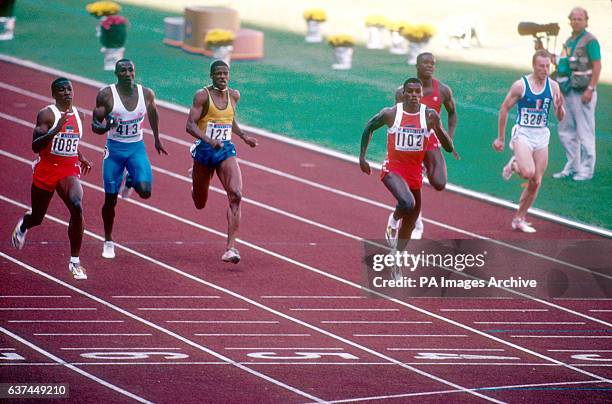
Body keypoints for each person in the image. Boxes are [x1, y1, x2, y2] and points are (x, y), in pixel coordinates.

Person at [361, 78, 456, 252]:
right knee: (407, 203)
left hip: (415, 173)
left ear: (421, 95)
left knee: (410, 224)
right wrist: (362, 158)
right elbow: (369, 127)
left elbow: (448, 147)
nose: (413, 95)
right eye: (409, 92)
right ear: (403, 94)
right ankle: (393, 221)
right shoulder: (390, 114)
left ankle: (396, 259)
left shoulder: (429, 116)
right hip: (393, 169)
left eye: (417, 92)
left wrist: (438, 129)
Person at [11, 77, 92, 280]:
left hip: (68, 169)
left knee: (77, 205)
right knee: (38, 217)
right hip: (46, 169)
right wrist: (56, 130)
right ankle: (24, 224)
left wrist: (81, 156)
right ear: (54, 94)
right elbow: (35, 146)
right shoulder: (47, 114)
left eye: (69, 89)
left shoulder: (80, 115)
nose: (67, 92)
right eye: (62, 90)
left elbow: (71, 141)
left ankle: (75, 262)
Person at [92, 59, 168, 259]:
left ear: (135, 72)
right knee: (110, 200)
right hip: (115, 151)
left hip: (136, 148)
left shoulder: (146, 93)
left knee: (145, 192)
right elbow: (95, 126)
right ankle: (108, 240)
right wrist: (108, 125)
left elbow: (153, 113)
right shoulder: (106, 95)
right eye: (122, 71)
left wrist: (157, 139)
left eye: (130, 70)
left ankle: (131, 179)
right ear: (116, 74)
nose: (127, 73)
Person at [186, 60, 258, 264]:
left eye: (225, 73)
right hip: (205, 151)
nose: (222, 76)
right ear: (211, 75)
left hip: (225, 149)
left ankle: (231, 248)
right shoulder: (202, 96)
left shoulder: (234, 95)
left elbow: (229, 119)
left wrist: (244, 137)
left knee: (236, 194)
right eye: (218, 73)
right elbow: (190, 125)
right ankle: (195, 180)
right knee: (200, 202)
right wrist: (209, 140)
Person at [493, 50, 565, 233]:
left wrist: (559, 109)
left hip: (541, 135)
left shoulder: (554, 86)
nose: (545, 69)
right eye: (541, 66)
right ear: (533, 66)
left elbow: (560, 116)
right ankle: (514, 165)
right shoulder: (521, 85)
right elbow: (504, 109)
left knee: (536, 181)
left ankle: (519, 218)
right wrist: (501, 138)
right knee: (527, 172)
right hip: (523, 133)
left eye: (548, 66)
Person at [394, 52, 458, 239]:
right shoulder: (402, 92)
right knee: (411, 183)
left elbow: (452, 113)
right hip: (409, 141)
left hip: (430, 140)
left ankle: (413, 213)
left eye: (432, 63)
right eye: (425, 62)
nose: (429, 65)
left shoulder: (443, 90)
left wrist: (448, 138)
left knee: (439, 183)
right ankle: (415, 221)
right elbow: (397, 117)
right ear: (417, 65)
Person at [540, 7, 600, 181]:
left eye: (579, 19)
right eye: (573, 19)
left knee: (585, 131)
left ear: (586, 21)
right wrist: (543, 50)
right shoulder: (569, 41)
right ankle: (572, 167)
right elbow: (562, 62)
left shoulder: (590, 41)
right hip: (567, 91)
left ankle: (586, 170)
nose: (576, 21)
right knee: (566, 130)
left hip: (583, 91)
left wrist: (591, 88)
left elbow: (597, 66)